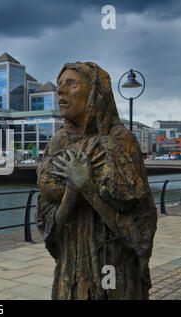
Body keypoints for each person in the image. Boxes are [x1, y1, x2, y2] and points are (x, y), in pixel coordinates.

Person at [36, 62, 157, 299]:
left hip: (113, 262)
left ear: (95, 92)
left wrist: (88, 189)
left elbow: (137, 224)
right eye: (59, 85)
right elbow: (52, 224)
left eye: (71, 83)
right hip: (72, 264)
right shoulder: (57, 143)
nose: (61, 90)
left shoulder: (122, 141)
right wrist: (71, 192)